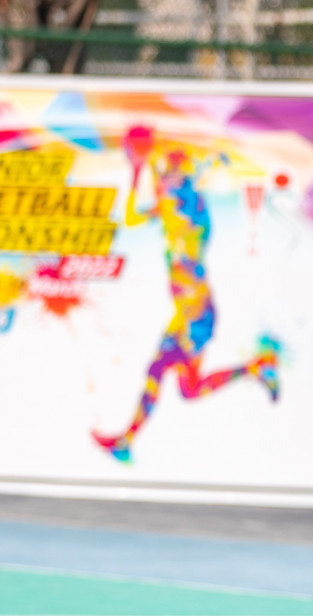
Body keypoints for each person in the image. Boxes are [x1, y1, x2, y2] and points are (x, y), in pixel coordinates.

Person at [92, 126, 278, 461]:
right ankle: (257, 367)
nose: (165, 176)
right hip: (191, 313)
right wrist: (139, 170)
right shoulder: (176, 208)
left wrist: (147, 166)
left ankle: (127, 441)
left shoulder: (186, 213)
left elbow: (157, 202)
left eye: (171, 173)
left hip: (195, 315)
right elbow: (134, 216)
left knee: (162, 372)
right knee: (185, 386)